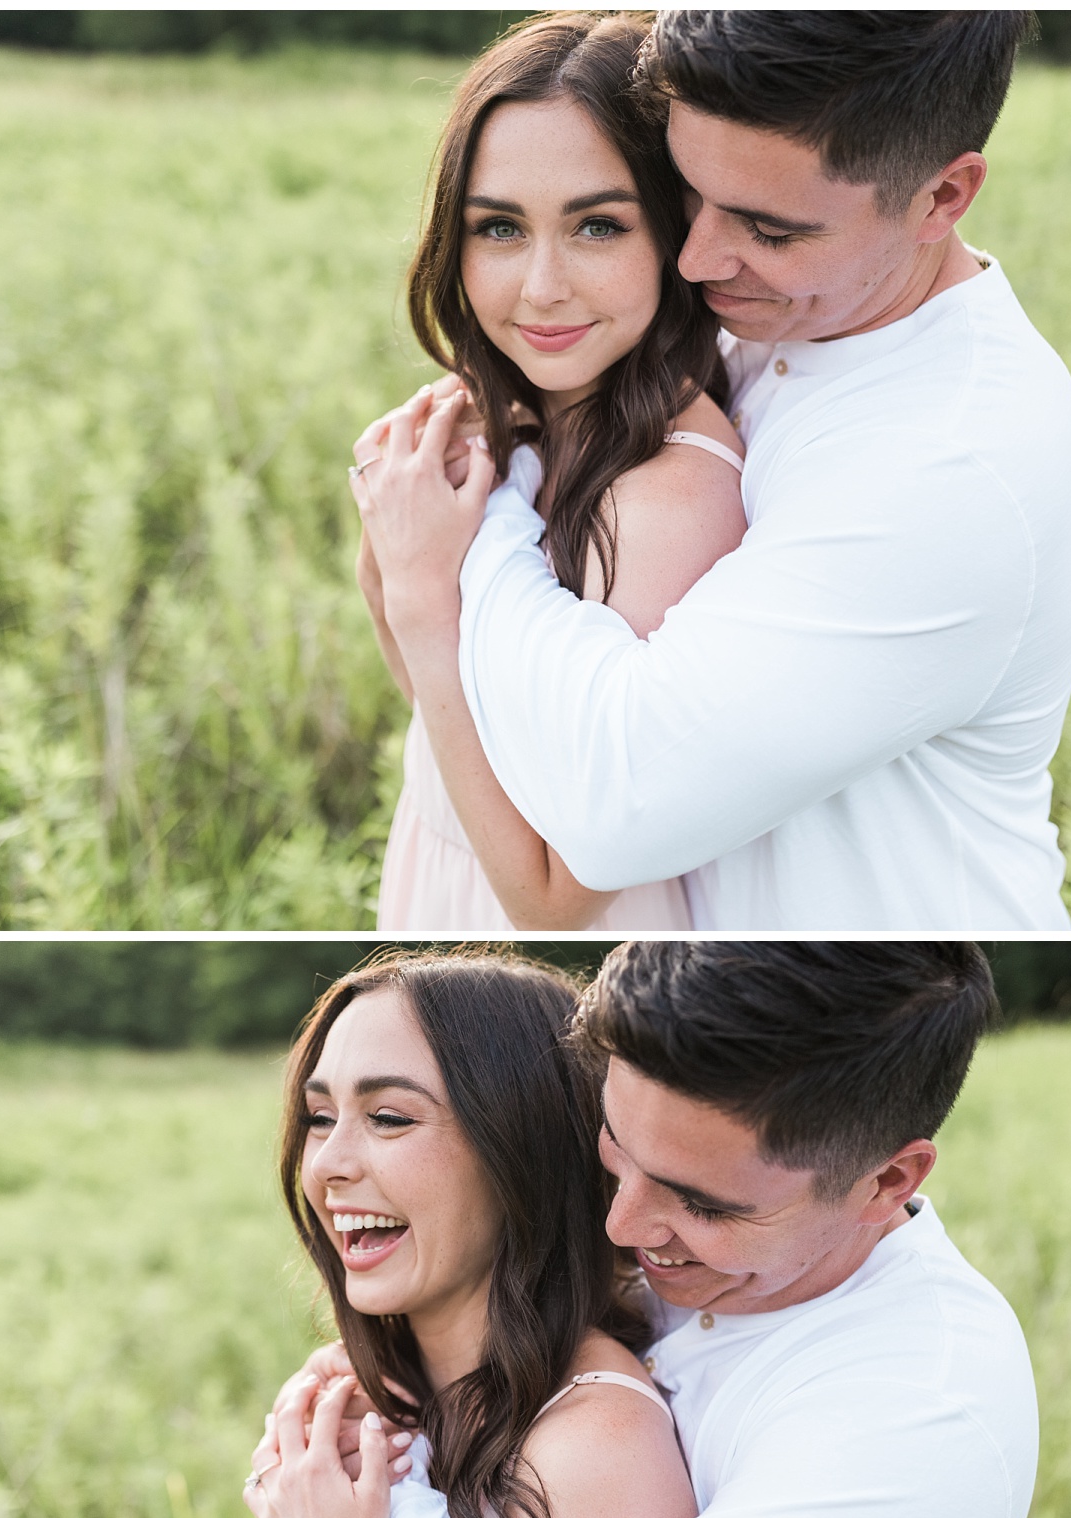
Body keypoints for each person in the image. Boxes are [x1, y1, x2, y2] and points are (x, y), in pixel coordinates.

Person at [272, 940, 1040, 1518]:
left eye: (700, 1203)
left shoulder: (916, 1409)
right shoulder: (630, 1288)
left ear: (885, 1183)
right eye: (611, 1154)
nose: (621, 1227)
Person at [355, 11, 1071, 931]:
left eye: (768, 229)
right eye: (690, 194)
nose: (696, 259)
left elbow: (605, 819)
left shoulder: (945, 471)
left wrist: (470, 533)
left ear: (942, 197)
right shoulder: (783, 311)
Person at [243, 949, 697, 1518]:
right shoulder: (385, 1387)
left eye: (388, 1117)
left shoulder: (593, 1446)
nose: (328, 1164)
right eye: (320, 1116)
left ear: (517, 1145)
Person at [353, 11, 745, 932]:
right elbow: (448, 718)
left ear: (674, 232)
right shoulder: (504, 425)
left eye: (597, 227)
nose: (541, 287)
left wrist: (419, 591)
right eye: (498, 229)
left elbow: (556, 897)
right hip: (440, 865)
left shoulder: (670, 495)